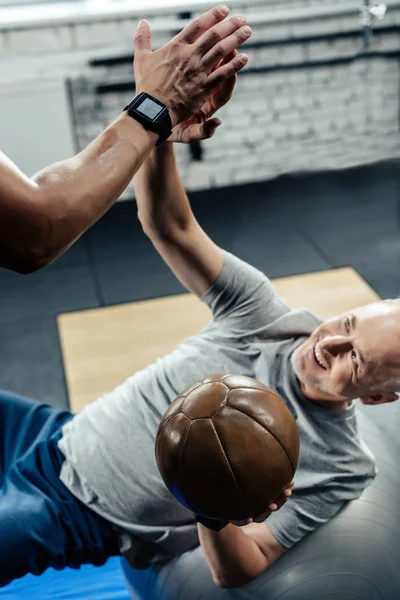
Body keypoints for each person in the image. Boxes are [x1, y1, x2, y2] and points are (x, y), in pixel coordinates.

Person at [0, 6, 251, 273]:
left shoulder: (255, 303)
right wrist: (157, 106)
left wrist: (162, 124)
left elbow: (171, 228)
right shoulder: (259, 304)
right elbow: (35, 233)